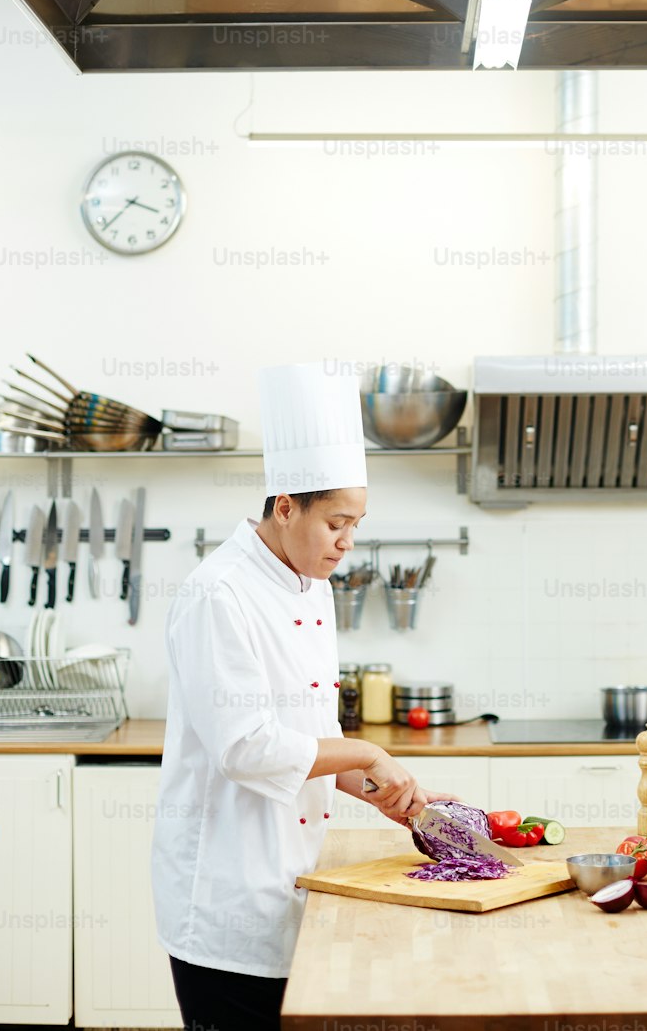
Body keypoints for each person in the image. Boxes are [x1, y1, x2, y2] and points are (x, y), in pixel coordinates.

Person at [151, 362, 450, 1031]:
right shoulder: (217, 594)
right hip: (227, 900)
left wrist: (390, 797)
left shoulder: (310, 585)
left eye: (357, 524)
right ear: (286, 507)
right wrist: (370, 750)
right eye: (336, 523)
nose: (348, 542)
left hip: (297, 882)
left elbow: (308, 736)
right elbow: (247, 748)